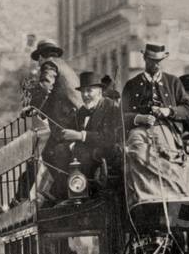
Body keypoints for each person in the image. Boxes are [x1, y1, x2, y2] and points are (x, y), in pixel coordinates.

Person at [27, 39, 82, 192]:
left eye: (38, 60)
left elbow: (45, 87)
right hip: (76, 116)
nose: (38, 64)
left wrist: (33, 108)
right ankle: (64, 189)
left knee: (50, 153)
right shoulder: (65, 66)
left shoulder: (49, 65)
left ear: (40, 57)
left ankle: (64, 192)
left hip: (66, 119)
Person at [56, 70, 123, 187]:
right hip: (85, 154)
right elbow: (69, 128)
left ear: (100, 92)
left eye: (89, 91)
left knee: (82, 154)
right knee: (59, 150)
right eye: (82, 92)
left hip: (108, 154)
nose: (85, 95)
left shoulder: (112, 107)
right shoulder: (82, 111)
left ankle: (83, 192)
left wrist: (81, 136)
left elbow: (110, 138)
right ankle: (66, 191)